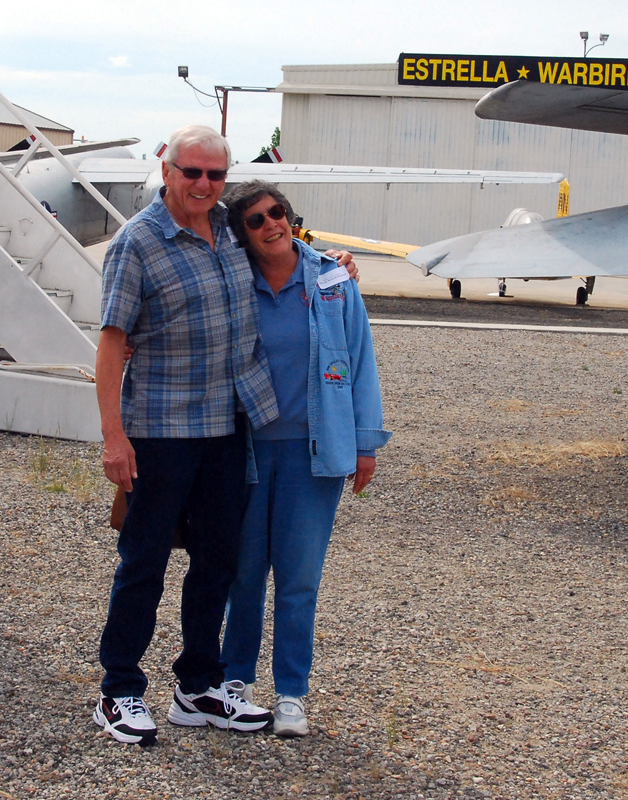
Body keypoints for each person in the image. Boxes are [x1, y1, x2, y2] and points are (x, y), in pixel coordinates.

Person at [92, 126, 355, 746]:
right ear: (168, 171)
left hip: (229, 428)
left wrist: (338, 266)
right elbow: (109, 344)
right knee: (144, 562)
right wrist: (113, 438)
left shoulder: (230, 234)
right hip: (161, 429)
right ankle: (120, 690)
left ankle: (198, 687)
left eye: (215, 175)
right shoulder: (138, 244)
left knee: (218, 563)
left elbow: (288, 251)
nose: (203, 185)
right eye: (192, 173)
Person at [220, 181, 391, 737]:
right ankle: (234, 682)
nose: (271, 224)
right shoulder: (230, 282)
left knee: (298, 578)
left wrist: (364, 443)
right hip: (240, 451)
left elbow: (361, 359)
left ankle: (292, 693)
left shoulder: (333, 279)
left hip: (313, 456)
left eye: (278, 213)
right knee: (243, 574)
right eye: (255, 220)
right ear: (240, 234)